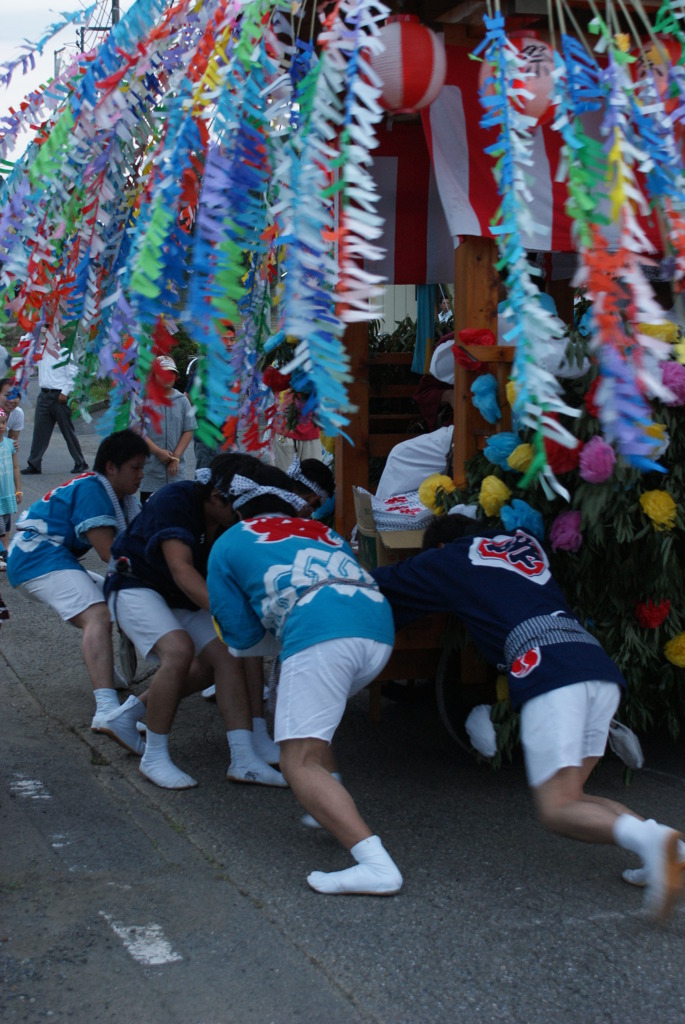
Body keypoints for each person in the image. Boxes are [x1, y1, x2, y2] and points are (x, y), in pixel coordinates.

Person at [372, 513, 684, 920]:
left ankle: (657, 842)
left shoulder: (447, 558)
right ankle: (671, 852)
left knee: (557, 809)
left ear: (439, 546)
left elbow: (379, 585)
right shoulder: (524, 542)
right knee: (575, 795)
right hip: (595, 665)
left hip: (547, 670)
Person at [206, 453, 403, 896]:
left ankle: (374, 863)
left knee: (297, 760)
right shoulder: (323, 530)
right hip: (377, 628)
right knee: (304, 718)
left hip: (320, 634)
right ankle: (327, 800)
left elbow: (238, 636)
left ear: (240, 512)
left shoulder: (231, 540)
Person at [103, 461, 287, 790]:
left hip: (180, 597)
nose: (245, 516)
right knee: (179, 651)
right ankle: (154, 757)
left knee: (227, 653)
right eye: (240, 509)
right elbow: (182, 571)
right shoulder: (176, 498)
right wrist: (233, 615)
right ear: (217, 497)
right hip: (135, 584)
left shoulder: (228, 517)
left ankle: (244, 759)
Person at [7, 429, 148, 736]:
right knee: (97, 612)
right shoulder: (94, 490)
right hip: (37, 554)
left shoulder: (106, 491)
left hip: (47, 554)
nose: (141, 476)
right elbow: (111, 554)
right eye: (135, 468)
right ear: (111, 467)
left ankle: (105, 676)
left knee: (109, 602)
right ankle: (106, 707)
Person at [23, 337, 88, 475]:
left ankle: (80, 462)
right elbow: (24, 344)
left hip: (59, 396)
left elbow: (72, 373)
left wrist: (65, 392)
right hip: (44, 395)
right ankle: (34, 463)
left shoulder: (65, 352)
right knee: (40, 431)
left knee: (67, 431)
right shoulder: (39, 352)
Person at [140, 355, 196, 503]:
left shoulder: (182, 401)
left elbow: (189, 429)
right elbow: (138, 430)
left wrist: (176, 457)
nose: (168, 377)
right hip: (150, 472)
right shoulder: (144, 401)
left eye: (171, 373)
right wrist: (158, 452)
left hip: (175, 472)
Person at [185, 321, 239, 470]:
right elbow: (188, 396)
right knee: (208, 484)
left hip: (230, 437)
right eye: (224, 339)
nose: (229, 343)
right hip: (209, 440)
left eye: (232, 339)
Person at [0, 408, 21, 568]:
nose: (1, 426)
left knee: (5, 523)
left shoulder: (10, 444)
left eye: (3, 422)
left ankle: (4, 552)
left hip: (7, 492)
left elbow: (15, 468)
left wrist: (18, 489)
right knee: (0, 526)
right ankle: (3, 552)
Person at [0, 378, 24, 453]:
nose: (12, 400)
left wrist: (12, 445)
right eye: (7, 395)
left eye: (16, 395)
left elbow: (12, 444)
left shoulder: (18, 413)